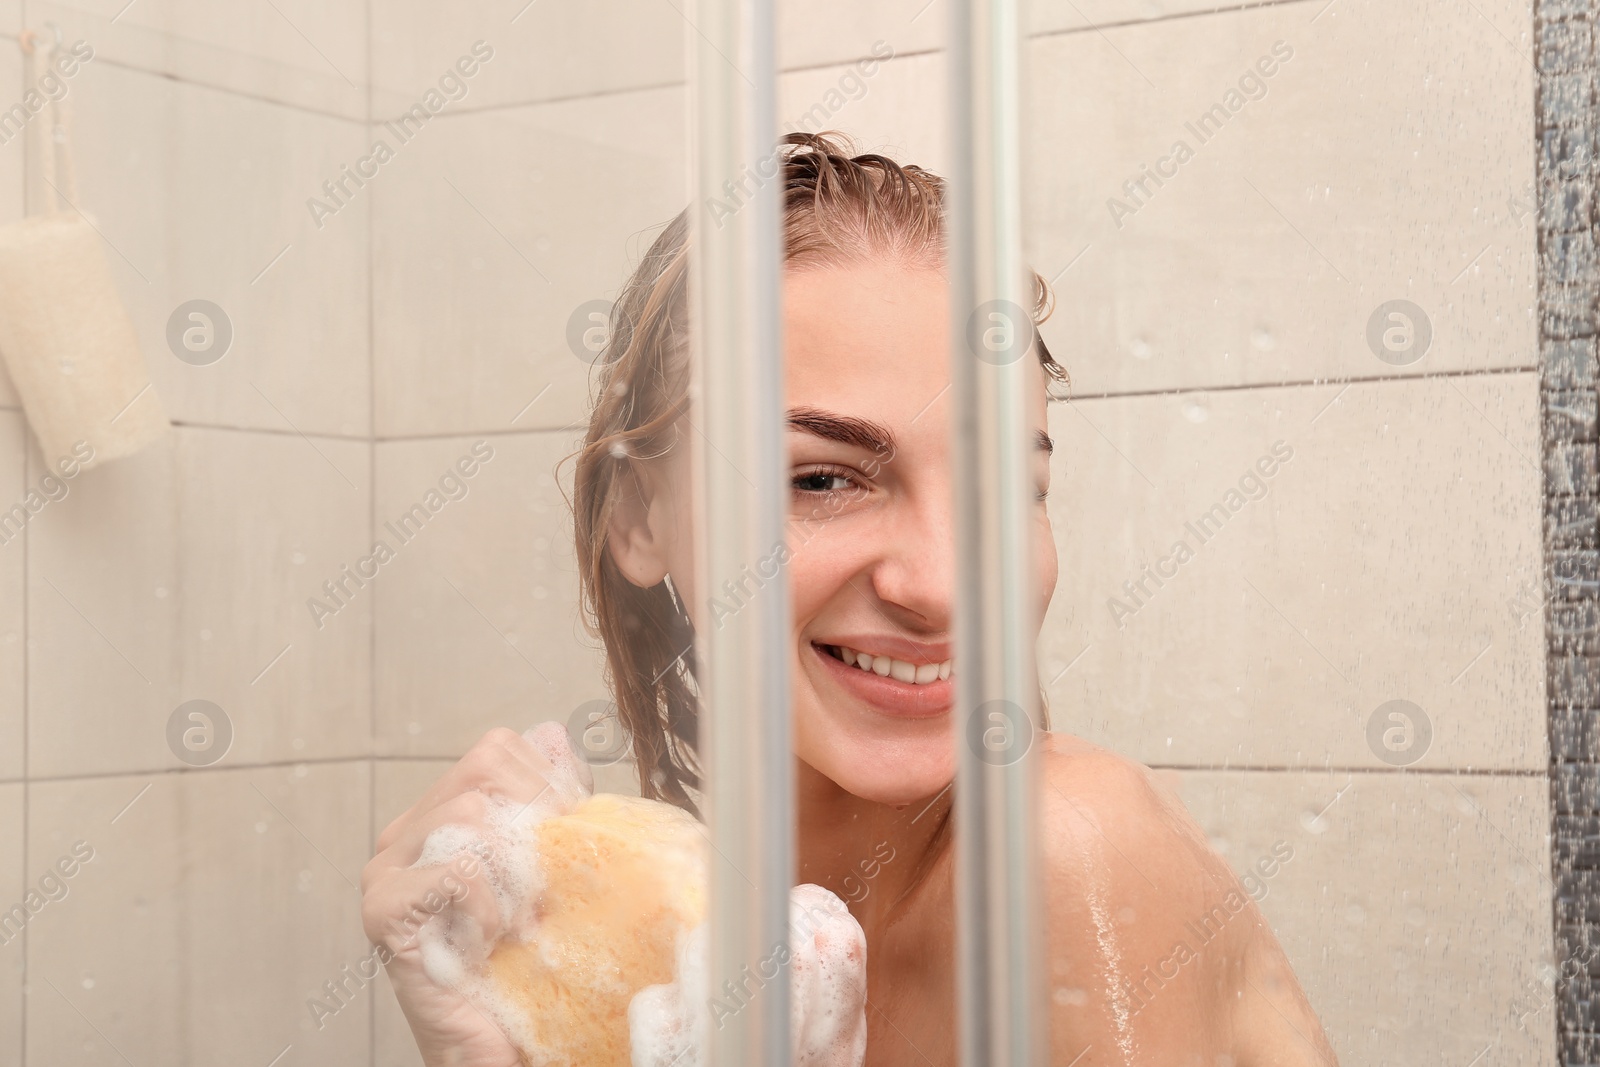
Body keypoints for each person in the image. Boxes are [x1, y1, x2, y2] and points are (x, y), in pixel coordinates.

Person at [361, 132, 1337, 1066]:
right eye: (825, 479)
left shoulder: (1063, 844)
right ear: (640, 519)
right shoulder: (706, 928)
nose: (946, 584)